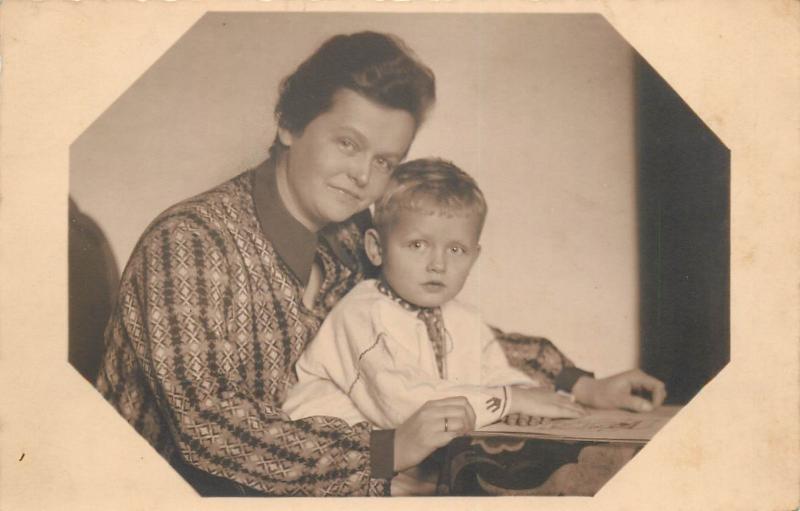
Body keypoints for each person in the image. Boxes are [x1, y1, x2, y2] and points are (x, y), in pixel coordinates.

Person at [95, 30, 666, 497]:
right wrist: (384, 453)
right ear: (290, 126)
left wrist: (580, 383)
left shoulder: (348, 239)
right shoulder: (190, 242)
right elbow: (209, 427)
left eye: (386, 160)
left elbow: (430, 329)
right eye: (348, 144)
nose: (365, 176)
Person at [283, 158, 593, 494]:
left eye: (456, 249)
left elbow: (494, 373)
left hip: (416, 478)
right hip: (334, 477)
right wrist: (508, 401)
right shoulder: (362, 313)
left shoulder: (463, 318)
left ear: (474, 257)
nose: (438, 264)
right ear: (376, 248)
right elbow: (403, 405)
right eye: (418, 245)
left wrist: (523, 397)